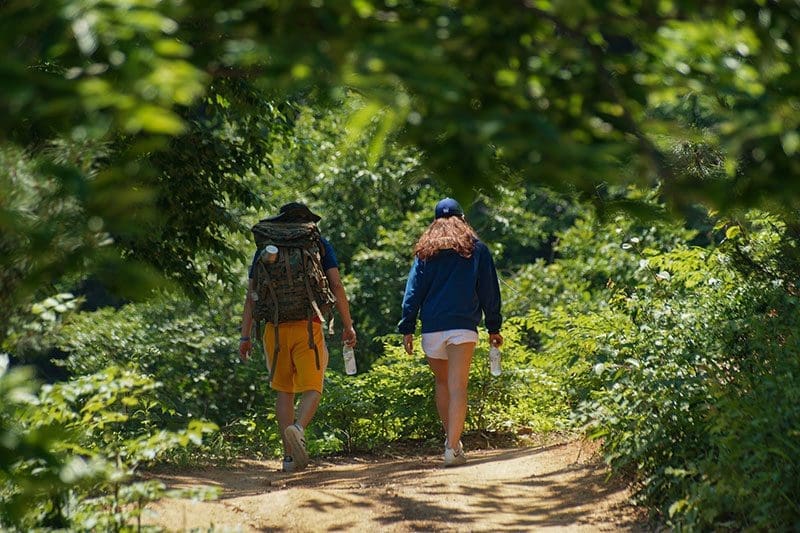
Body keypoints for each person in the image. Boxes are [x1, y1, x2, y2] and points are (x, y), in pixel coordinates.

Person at [239, 202, 357, 472]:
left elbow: (252, 295)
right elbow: (336, 285)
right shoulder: (318, 243)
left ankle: (289, 457)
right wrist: (348, 325)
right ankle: (298, 427)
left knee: (284, 391)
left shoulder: (266, 247)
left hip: (275, 328)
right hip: (309, 324)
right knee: (313, 387)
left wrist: (245, 336)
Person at [398, 197, 503, 467]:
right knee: (458, 387)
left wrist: (407, 327)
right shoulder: (476, 249)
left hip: (432, 329)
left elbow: (413, 292)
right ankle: (452, 446)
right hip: (462, 327)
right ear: (463, 219)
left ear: (435, 222)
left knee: (443, 384)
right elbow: (489, 291)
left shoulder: (425, 252)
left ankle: (451, 441)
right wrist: (494, 327)